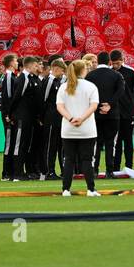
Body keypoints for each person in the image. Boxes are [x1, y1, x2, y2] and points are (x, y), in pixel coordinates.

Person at [56, 59, 101, 197]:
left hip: (68, 130)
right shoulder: (91, 86)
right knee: (87, 159)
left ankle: (65, 189)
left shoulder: (64, 86)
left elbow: (60, 106)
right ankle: (91, 189)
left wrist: (70, 118)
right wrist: (81, 118)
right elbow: (93, 106)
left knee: (68, 159)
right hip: (87, 130)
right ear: (83, 70)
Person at [86, 51, 125, 178]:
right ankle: (109, 170)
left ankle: (95, 169)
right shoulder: (116, 75)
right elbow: (120, 92)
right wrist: (109, 105)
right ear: (109, 61)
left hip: (95, 114)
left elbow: (87, 94)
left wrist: (98, 106)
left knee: (95, 143)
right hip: (112, 114)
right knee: (110, 143)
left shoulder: (90, 75)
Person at [0, 53, 25, 180]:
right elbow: (9, 97)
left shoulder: (12, 76)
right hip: (9, 115)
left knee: (12, 142)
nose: (17, 63)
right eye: (15, 61)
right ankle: (6, 172)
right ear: (10, 63)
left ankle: (9, 172)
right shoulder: (9, 77)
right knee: (9, 143)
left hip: (10, 114)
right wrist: (9, 115)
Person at [111, 49, 134, 169]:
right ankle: (115, 167)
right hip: (114, 113)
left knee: (128, 141)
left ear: (123, 60)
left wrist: (132, 109)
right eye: (113, 63)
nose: (115, 65)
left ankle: (129, 166)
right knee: (116, 142)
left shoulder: (131, 72)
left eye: (117, 63)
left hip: (128, 112)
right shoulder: (110, 72)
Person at [41, 58, 64, 178]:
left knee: (56, 144)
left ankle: (53, 170)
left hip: (57, 117)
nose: (62, 73)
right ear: (55, 68)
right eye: (61, 70)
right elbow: (43, 99)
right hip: (50, 117)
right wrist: (43, 117)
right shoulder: (49, 81)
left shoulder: (56, 81)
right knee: (50, 145)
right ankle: (48, 171)